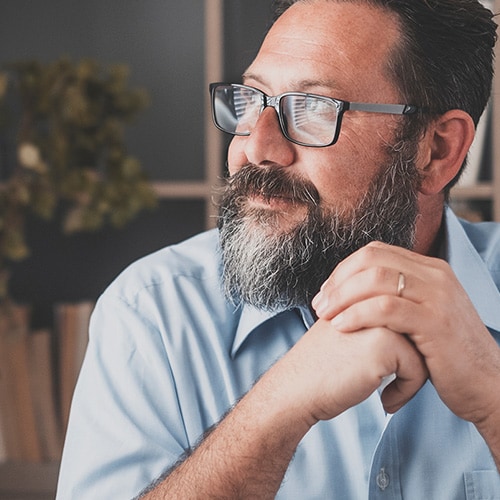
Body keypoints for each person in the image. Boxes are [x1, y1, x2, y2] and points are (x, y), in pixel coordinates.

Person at [56, 0, 500, 498]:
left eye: (312, 111)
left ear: (436, 150)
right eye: (252, 100)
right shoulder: (153, 314)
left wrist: (491, 395)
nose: (254, 147)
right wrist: (278, 407)